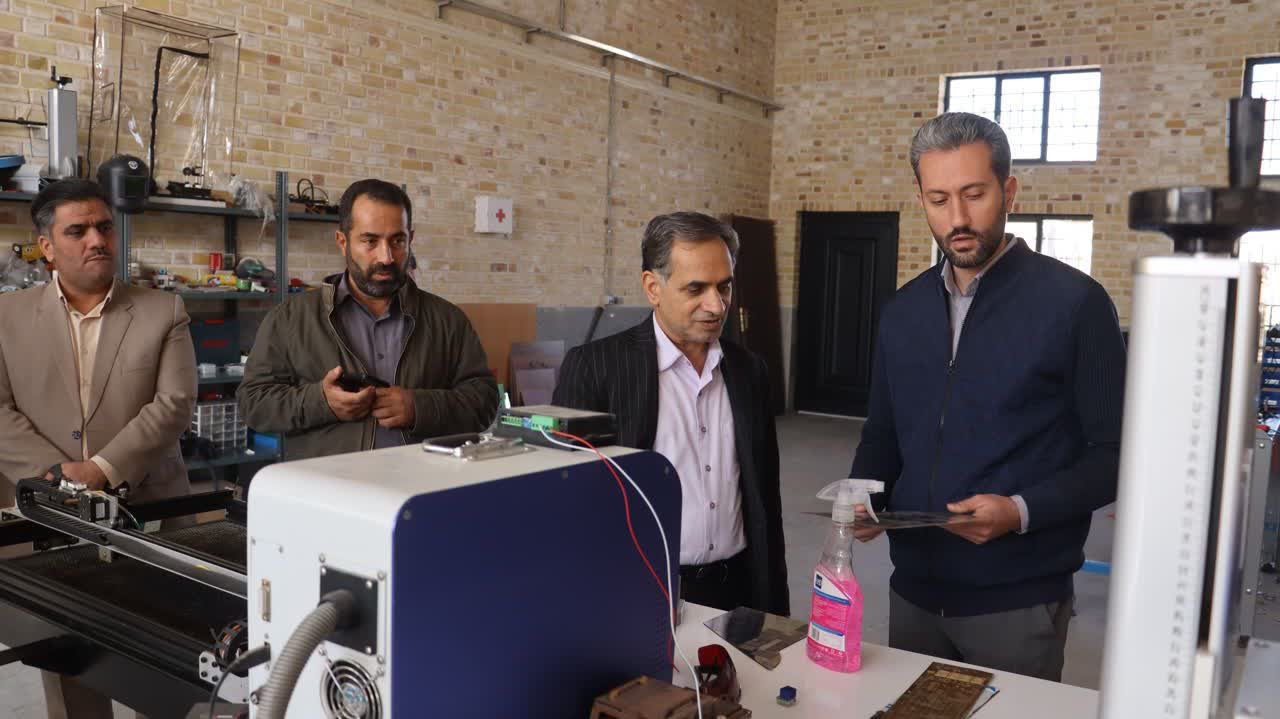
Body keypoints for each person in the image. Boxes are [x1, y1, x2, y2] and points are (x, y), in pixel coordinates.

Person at [848, 113, 1126, 681]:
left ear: (1009, 191)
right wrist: (864, 493)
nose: (957, 218)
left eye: (974, 195)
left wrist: (1019, 512)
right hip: (913, 593)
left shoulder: (1075, 304)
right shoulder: (902, 312)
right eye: (939, 199)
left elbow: (1114, 455)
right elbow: (883, 432)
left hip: (1016, 600)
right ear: (921, 200)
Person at [0, 178, 197, 718]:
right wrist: (58, 475)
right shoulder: (6, 317)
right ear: (47, 247)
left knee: (165, 657)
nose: (97, 240)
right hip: (47, 517)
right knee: (72, 659)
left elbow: (174, 403)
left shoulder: (163, 310)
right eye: (78, 231)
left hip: (149, 511)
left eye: (105, 227)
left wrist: (103, 469)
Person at [553, 212, 788, 615]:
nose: (716, 305)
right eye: (696, 288)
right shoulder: (596, 368)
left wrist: (773, 605)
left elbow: (765, 498)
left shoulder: (749, 371)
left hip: (739, 590)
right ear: (653, 287)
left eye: (724, 286)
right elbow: (570, 505)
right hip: (640, 590)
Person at [239, 179, 497, 457]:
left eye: (397, 241)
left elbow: (484, 403)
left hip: (421, 480)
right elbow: (253, 403)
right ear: (342, 242)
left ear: (410, 239)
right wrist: (321, 402)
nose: (386, 257)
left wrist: (418, 407)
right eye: (370, 241)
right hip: (329, 484)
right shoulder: (290, 319)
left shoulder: (448, 321)